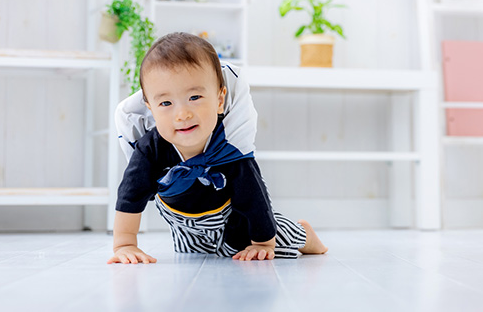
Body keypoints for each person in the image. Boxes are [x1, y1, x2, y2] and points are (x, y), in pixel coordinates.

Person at [108, 32, 328, 264]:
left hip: (231, 216)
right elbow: (130, 196)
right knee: (195, 254)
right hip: (182, 222)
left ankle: (303, 235)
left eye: (194, 97)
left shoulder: (229, 146)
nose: (182, 114)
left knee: (252, 245)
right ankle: (206, 242)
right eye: (165, 103)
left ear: (220, 100)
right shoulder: (149, 149)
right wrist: (125, 244)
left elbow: (253, 196)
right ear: (150, 108)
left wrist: (263, 243)